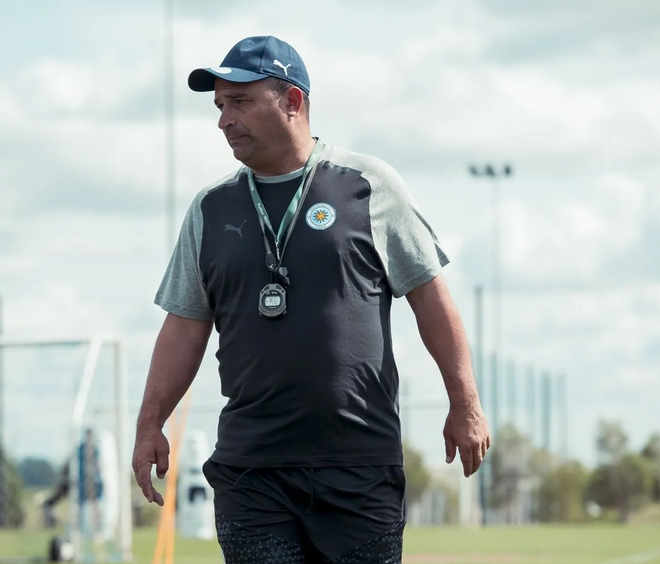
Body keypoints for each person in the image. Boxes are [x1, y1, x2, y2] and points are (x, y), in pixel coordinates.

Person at [132, 35, 491, 563]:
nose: (223, 120)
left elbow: (431, 299)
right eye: (219, 106)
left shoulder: (369, 185)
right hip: (253, 470)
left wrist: (466, 404)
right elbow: (184, 327)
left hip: (358, 465)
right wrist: (148, 424)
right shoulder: (211, 209)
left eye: (240, 102)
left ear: (292, 101)